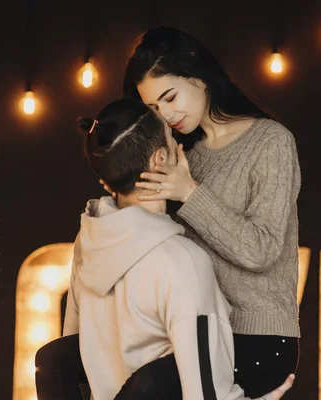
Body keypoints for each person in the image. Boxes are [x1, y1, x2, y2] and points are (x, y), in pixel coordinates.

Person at [96, 26, 300, 398]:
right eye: (154, 108)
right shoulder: (184, 155)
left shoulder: (271, 141)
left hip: (256, 339)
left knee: (146, 388)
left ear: (200, 78)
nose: (167, 114)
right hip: (194, 333)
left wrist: (189, 192)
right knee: (63, 360)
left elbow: (263, 250)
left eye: (170, 97)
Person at [56, 97, 295, 400]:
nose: (182, 145)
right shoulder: (182, 262)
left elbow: (69, 356)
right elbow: (207, 394)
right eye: (172, 136)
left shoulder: (87, 242)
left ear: (106, 181)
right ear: (159, 160)